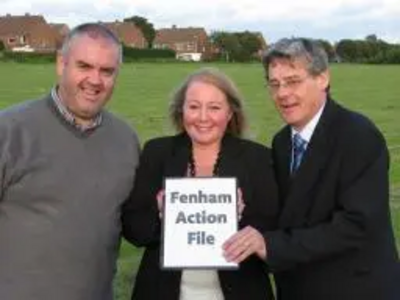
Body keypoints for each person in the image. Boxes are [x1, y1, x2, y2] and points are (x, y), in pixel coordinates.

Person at [224, 37, 400, 299]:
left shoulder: (358, 135)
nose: (282, 93)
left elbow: (355, 225)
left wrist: (271, 245)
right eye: (274, 84)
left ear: (322, 79)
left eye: (293, 81)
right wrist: (232, 211)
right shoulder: (282, 142)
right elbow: (287, 214)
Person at [0, 23, 140, 300]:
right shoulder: (9, 131)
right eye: (84, 66)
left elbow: (135, 224)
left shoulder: (126, 140)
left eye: (107, 71)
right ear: (61, 64)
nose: (95, 80)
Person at [122, 67, 279, 300]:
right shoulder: (157, 153)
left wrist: (241, 223)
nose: (203, 117)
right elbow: (134, 229)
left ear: (230, 113)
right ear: (181, 110)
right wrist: (163, 216)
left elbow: (275, 233)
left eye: (214, 108)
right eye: (194, 106)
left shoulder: (258, 159)